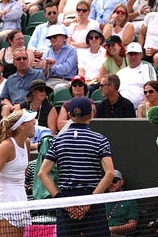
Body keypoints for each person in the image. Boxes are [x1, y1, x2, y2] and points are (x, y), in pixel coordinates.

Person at [38, 97, 114, 236]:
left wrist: (61, 200)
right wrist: (90, 201)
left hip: (66, 200)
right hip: (93, 199)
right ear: (91, 114)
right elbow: (110, 173)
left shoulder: (57, 141)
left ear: (69, 115)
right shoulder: (100, 140)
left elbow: (42, 173)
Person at [0, 109, 34, 236]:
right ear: (21, 126)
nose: (34, 122)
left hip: (21, 199)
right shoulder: (6, 146)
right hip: (5, 201)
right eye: (30, 121)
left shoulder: (26, 143)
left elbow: (23, 171)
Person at [116, 42, 156, 109]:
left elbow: (152, 87)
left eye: (136, 54)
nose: (133, 57)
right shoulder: (120, 73)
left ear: (141, 55)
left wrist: (145, 104)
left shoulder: (147, 67)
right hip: (121, 108)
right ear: (127, 55)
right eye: (131, 54)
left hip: (141, 107)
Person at [42, 25, 78, 92]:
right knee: (38, 88)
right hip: (49, 81)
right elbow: (44, 74)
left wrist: (50, 67)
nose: (52, 39)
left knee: (59, 88)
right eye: (50, 38)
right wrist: (44, 67)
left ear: (63, 37)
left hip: (65, 81)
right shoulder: (47, 52)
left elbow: (66, 70)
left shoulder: (71, 51)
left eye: (54, 37)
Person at [106, 169, 139, 235]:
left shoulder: (130, 200)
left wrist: (113, 230)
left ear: (122, 182)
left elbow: (132, 225)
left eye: (114, 181)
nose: (111, 184)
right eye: (108, 181)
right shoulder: (101, 199)